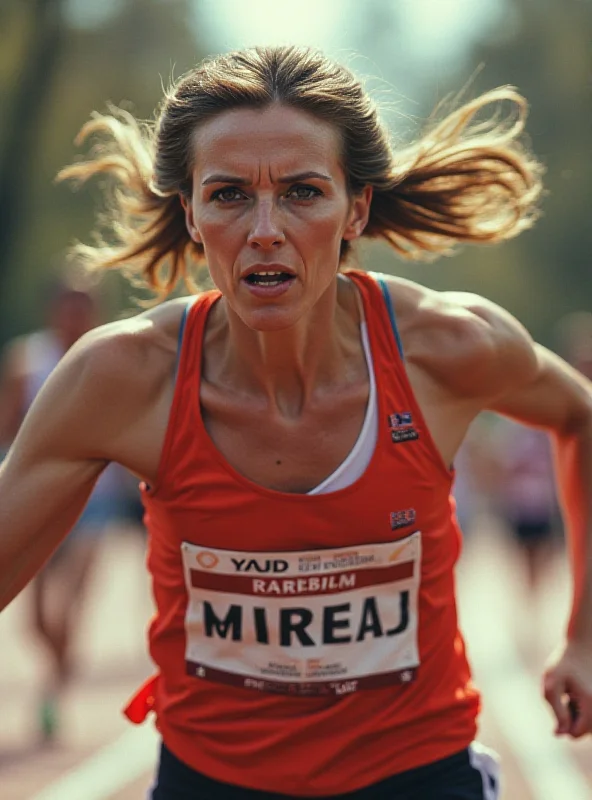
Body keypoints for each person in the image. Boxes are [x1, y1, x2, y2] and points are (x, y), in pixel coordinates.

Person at [0, 45, 590, 799]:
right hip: (210, 781)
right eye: (230, 195)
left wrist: (585, 637)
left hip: (418, 775)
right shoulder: (121, 380)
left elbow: (580, 415)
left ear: (357, 208)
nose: (266, 229)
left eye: (304, 192)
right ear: (190, 212)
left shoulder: (446, 348)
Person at [0, 280, 127, 741]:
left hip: (96, 502)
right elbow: (6, 428)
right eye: (67, 307)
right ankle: (60, 664)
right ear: (53, 310)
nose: (74, 316)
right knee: (36, 618)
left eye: (83, 308)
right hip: (36, 499)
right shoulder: (27, 360)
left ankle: (51, 695)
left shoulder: (111, 358)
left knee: (67, 607)